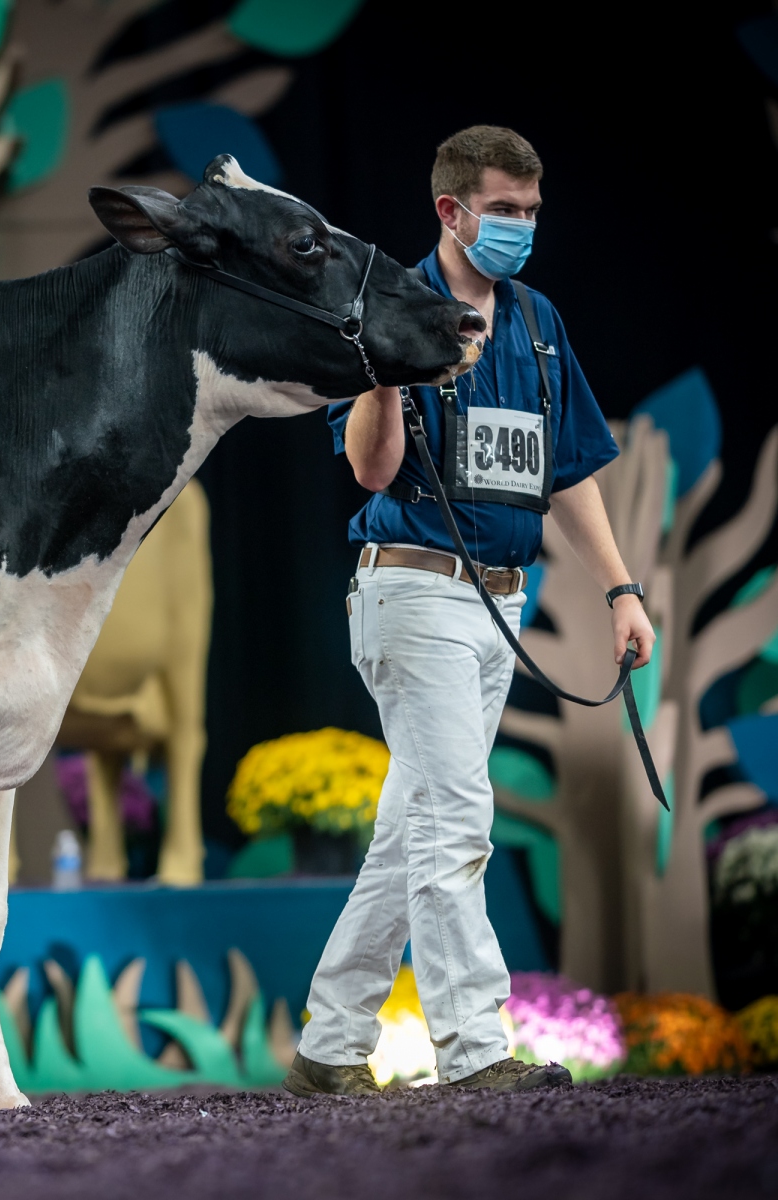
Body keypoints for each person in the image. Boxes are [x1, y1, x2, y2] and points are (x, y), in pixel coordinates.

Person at [284, 126, 656, 1095]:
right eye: (503, 211)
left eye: (531, 211)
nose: (522, 227)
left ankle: (330, 1042)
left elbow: (566, 470)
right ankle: (475, 1051)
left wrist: (620, 589)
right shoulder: (390, 310)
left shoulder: (537, 321)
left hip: (501, 604)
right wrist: (390, 368)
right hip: (413, 588)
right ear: (451, 211)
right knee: (455, 822)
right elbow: (371, 471)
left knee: (411, 832)